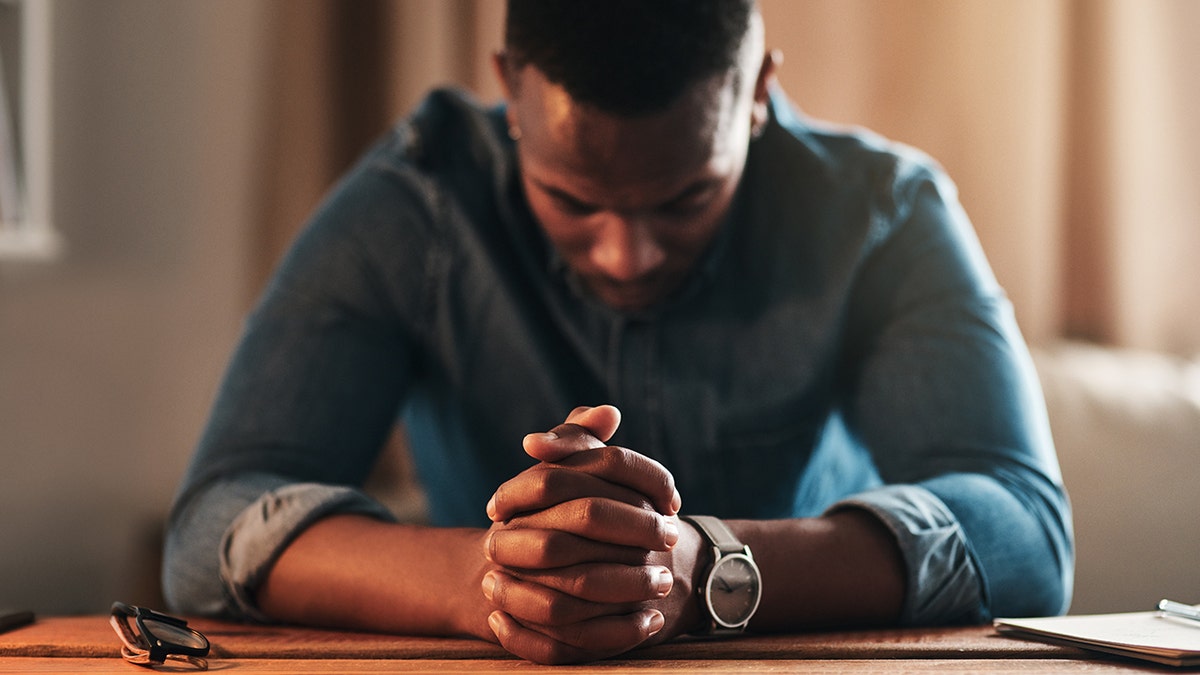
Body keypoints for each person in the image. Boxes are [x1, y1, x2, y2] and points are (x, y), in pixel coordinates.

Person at [163, 0, 1073, 665]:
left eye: (686, 198)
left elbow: (1028, 534)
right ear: (509, 92)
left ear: (758, 89)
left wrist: (707, 566)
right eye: (569, 198)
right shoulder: (417, 206)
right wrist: (491, 580)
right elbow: (209, 526)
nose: (627, 254)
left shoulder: (885, 213)